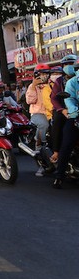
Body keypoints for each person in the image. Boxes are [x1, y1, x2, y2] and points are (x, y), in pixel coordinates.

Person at [54, 57, 79, 188]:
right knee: (67, 144)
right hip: (75, 117)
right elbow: (70, 100)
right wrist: (74, 111)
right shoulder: (72, 83)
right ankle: (59, 176)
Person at [26, 64, 53, 161]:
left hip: (52, 112)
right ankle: (39, 142)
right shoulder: (32, 86)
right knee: (43, 125)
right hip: (38, 113)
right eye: (41, 73)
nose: (43, 75)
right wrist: (34, 86)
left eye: (45, 73)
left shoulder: (52, 84)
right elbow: (30, 101)